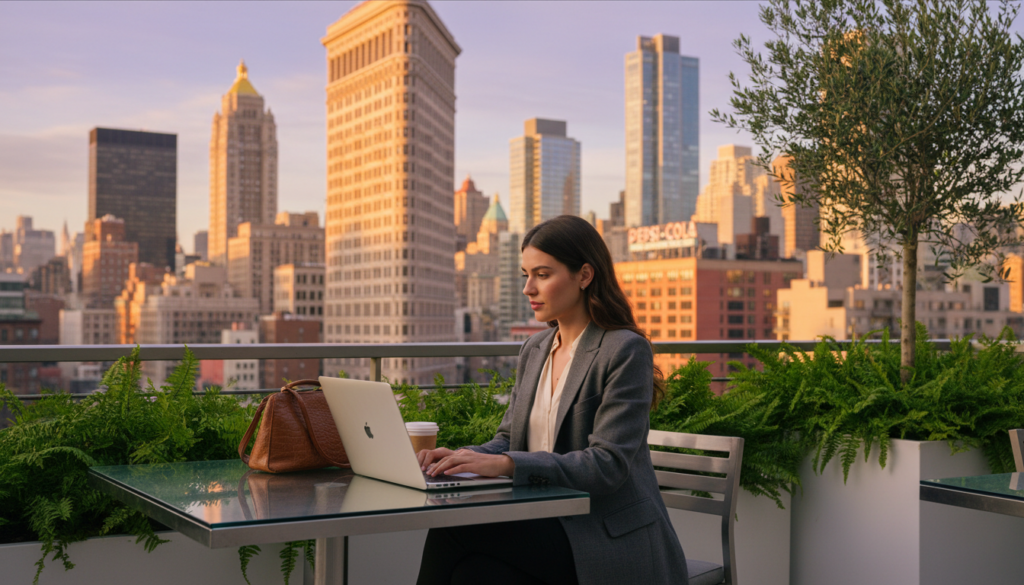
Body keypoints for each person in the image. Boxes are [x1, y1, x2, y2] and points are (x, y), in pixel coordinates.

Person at [415, 215, 688, 585]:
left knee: (452, 530)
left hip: (605, 532)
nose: (528, 288)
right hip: (544, 521)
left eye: (542, 275)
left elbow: (607, 465)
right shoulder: (536, 348)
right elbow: (508, 441)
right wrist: (459, 458)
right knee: (474, 574)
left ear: (585, 275)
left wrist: (508, 465)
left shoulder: (624, 350)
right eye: (525, 275)